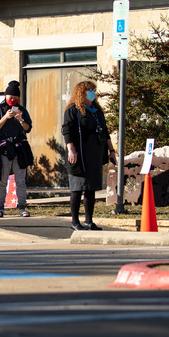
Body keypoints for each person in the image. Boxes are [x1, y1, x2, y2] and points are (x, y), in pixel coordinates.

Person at [62, 81, 116, 231]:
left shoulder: (96, 111)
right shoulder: (73, 110)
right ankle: (74, 221)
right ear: (81, 92)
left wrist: (111, 150)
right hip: (80, 154)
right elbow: (67, 131)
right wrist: (71, 150)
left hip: (95, 154)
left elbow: (105, 132)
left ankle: (88, 220)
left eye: (93, 90)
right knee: (77, 188)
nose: (92, 92)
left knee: (90, 188)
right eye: (89, 90)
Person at [0, 80, 33, 217]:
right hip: (4, 148)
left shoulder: (22, 109)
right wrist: (6, 117)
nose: (12, 100)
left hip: (19, 147)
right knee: (2, 180)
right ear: (5, 96)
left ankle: (22, 207)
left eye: (15, 98)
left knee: (20, 180)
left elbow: (28, 128)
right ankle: (0, 207)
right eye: (10, 98)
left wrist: (21, 120)